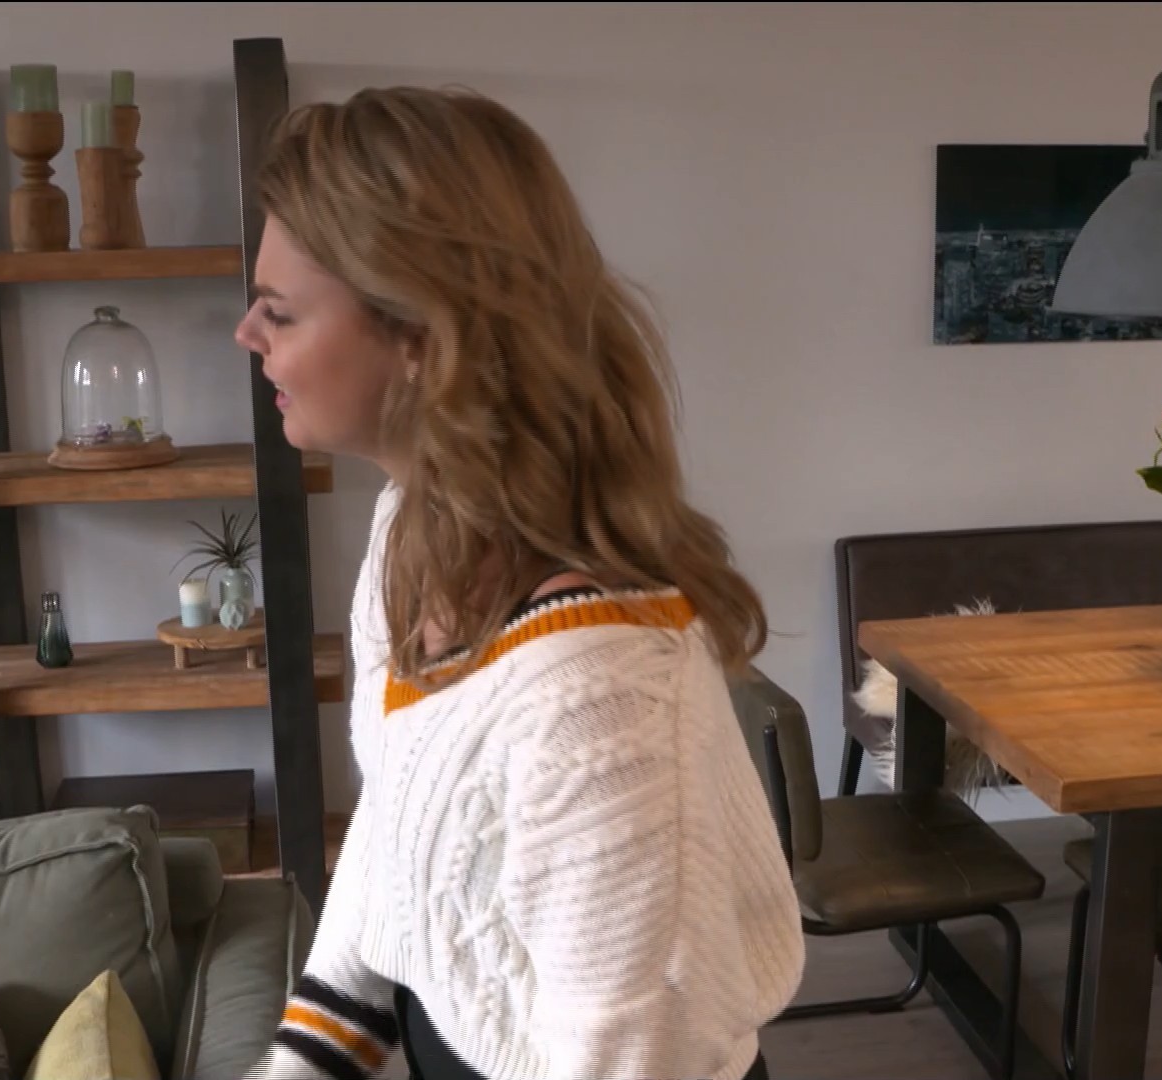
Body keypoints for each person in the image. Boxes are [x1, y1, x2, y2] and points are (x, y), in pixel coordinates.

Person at [236, 84, 805, 1080]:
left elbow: (631, 1056)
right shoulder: (409, 534)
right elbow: (404, 821)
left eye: (279, 311)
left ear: (421, 336)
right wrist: (305, 1063)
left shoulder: (599, 699)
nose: (248, 333)